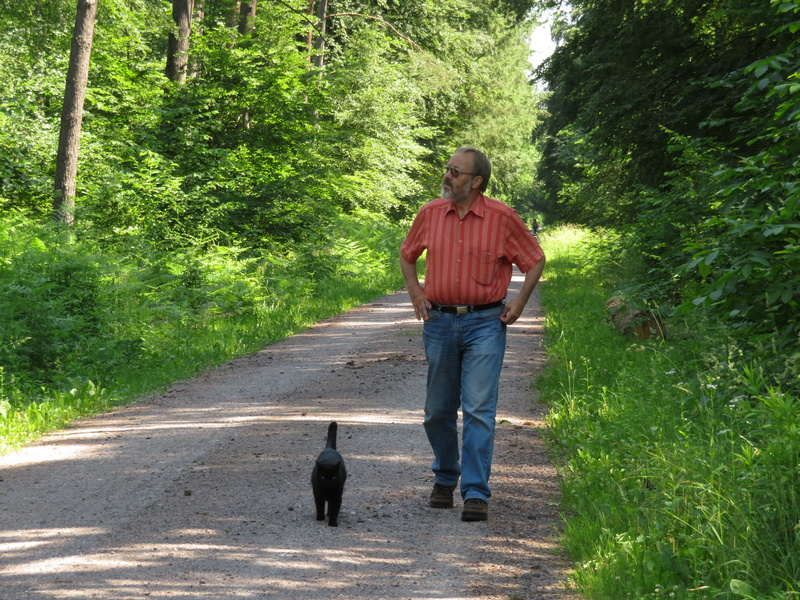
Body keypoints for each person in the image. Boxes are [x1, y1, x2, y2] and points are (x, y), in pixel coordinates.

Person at [399, 147, 546, 522]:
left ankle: (476, 492)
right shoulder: (431, 213)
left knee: (479, 409)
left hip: (486, 323)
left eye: (456, 172)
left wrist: (520, 301)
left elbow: (535, 259)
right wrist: (416, 291)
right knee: (437, 411)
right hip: (439, 321)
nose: (447, 176)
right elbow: (407, 253)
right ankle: (445, 479)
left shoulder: (502, 217)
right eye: (447, 169)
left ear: (476, 181)